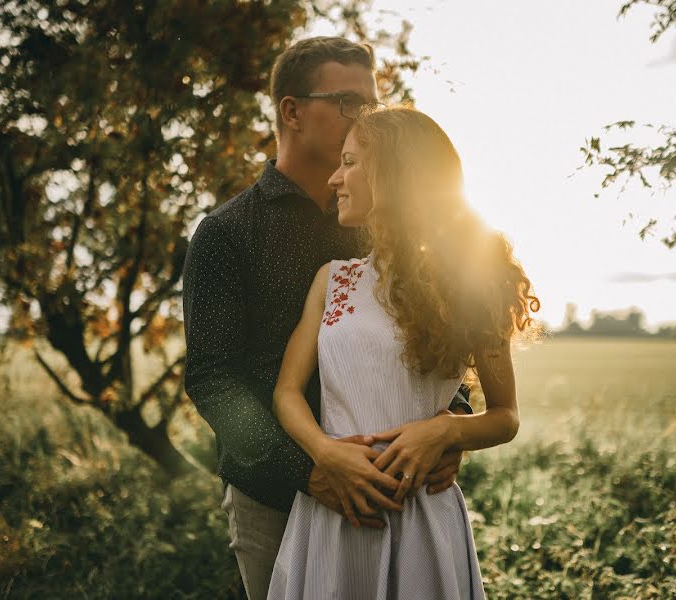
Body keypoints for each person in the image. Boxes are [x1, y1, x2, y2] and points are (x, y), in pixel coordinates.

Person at [181, 37, 473, 600]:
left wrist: (446, 426)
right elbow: (214, 379)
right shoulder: (226, 234)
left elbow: (437, 331)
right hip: (274, 497)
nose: (366, 118)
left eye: (372, 103)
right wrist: (309, 469)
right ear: (291, 111)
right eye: (348, 103)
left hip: (399, 490)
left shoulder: (385, 221)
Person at [267, 106, 541, 599]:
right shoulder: (333, 280)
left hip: (422, 519)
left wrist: (445, 430)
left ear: (393, 174)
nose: (334, 178)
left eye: (349, 162)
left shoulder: (474, 283)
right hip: (335, 512)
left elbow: (506, 416)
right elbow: (287, 391)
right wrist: (325, 452)